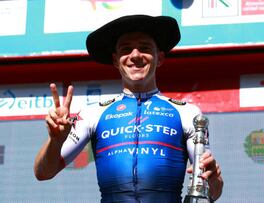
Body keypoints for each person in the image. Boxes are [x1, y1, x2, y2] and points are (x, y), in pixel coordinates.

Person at [34, 15, 223, 203]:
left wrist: (213, 178)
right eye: (126, 49)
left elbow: (212, 193)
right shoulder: (93, 113)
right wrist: (55, 141)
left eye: (144, 48)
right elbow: (43, 173)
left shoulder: (188, 113)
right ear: (116, 60)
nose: (135, 55)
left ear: (160, 58)